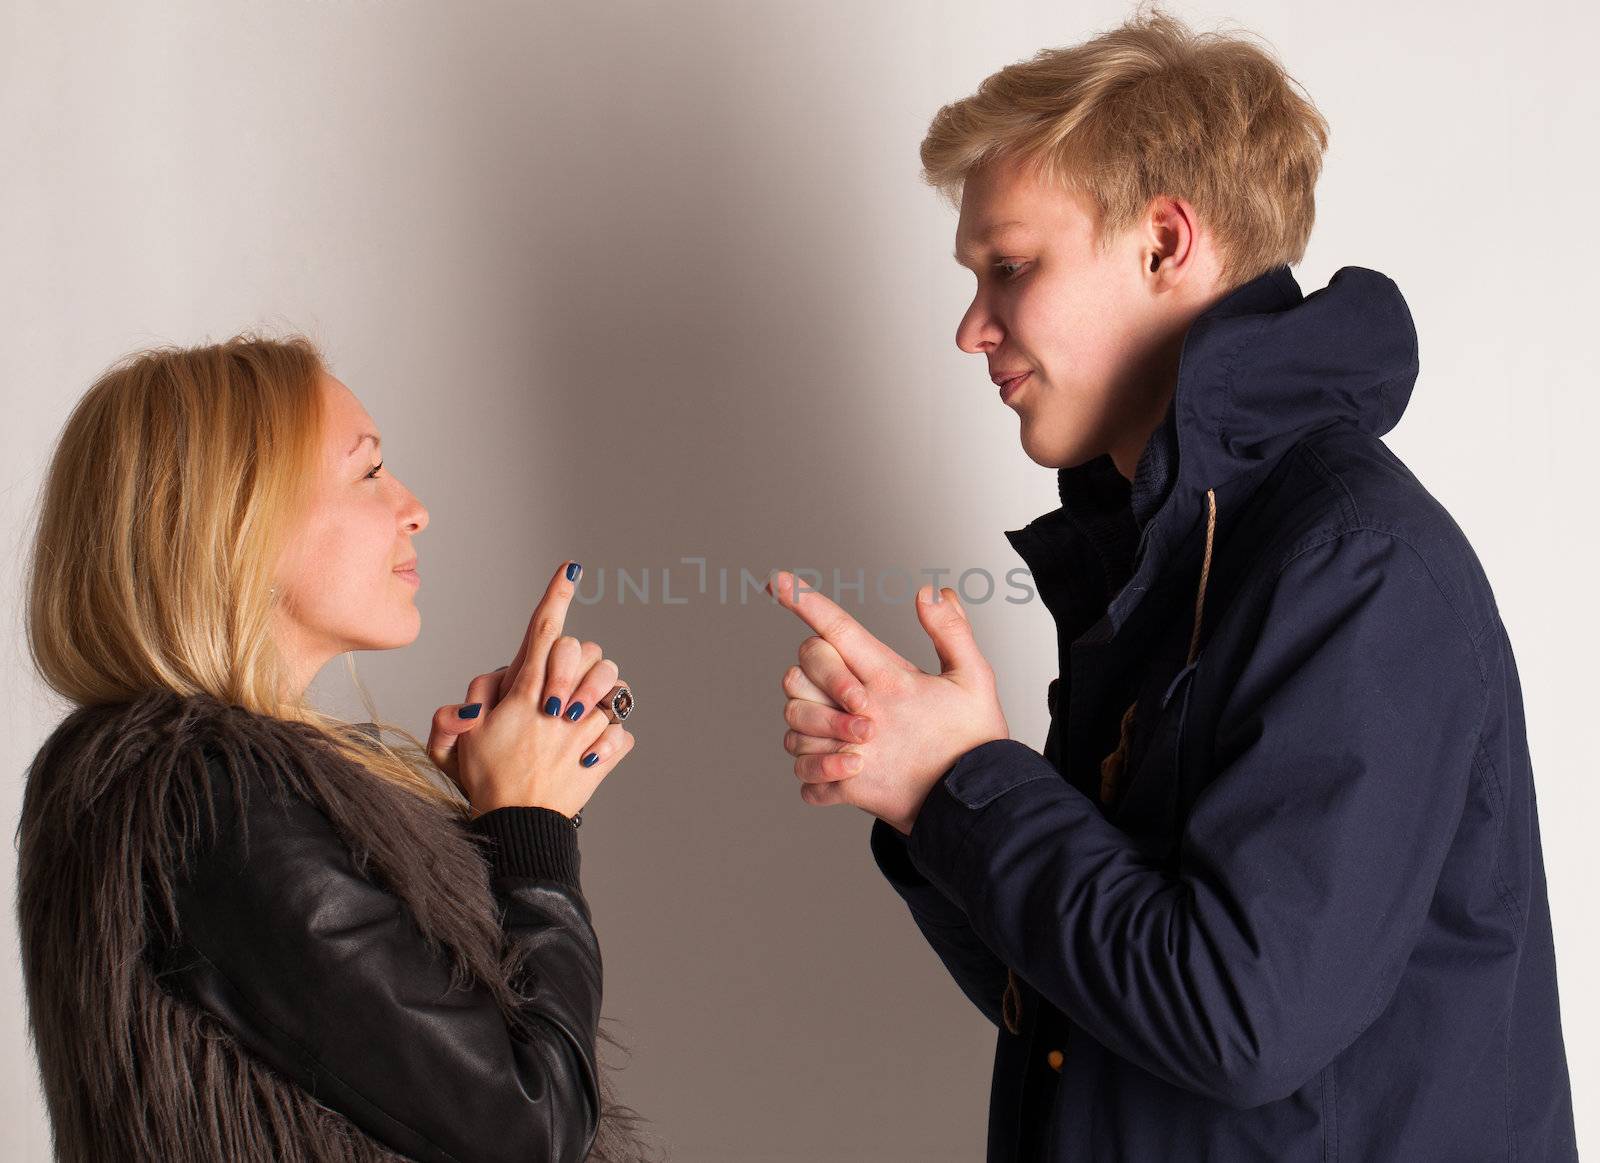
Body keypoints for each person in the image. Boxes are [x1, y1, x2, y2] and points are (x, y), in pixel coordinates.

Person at [769, 7, 1578, 1159]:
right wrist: (922, 798)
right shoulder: (1173, 549)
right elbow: (1093, 1004)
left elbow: (1240, 1017)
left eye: (1009, 267)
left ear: (1163, 243)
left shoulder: (1353, 563)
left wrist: (964, 781)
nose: (969, 328)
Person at [16, 334, 661, 1162]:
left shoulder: (207, 792)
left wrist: (487, 817)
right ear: (235, 518)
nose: (413, 506)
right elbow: (526, 1125)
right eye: (368, 472)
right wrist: (533, 829)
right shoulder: (209, 799)